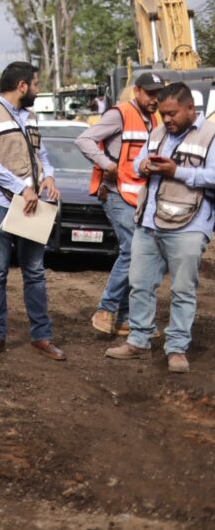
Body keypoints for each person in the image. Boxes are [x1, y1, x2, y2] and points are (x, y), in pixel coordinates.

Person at [106, 82, 215, 374]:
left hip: (189, 225)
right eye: (163, 114)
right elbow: (139, 160)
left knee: (182, 290)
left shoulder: (210, 135)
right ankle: (139, 340)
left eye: (172, 114)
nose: (167, 119)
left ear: (190, 108)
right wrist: (143, 166)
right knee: (139, 285)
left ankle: (177, 349)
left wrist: (175, 171)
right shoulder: (157, 132)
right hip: (148, 220)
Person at [0, 61, 65, 361]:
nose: (37, 90)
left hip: (31, 204)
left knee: (34, 271)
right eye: (35, 85)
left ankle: (41, 336)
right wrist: (20, 188)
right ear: (22, 86)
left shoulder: (31, 117)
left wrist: (48, 175)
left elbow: (40, 154)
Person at [75, 72, 162, 336]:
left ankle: (126, 319)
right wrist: (107, 165)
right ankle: (106, 309)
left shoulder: (155, 119)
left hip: (139, 196)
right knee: (133, 249)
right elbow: (83, 140)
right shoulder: (119, 114)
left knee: (140, 252)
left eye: (158, 94)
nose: (155, 99)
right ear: (137, 91)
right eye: (150, 94)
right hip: (114, 192)